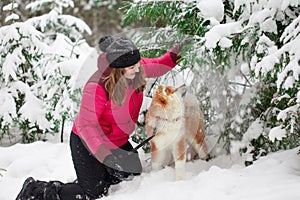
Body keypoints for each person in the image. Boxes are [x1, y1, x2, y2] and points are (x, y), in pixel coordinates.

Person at [16, 35, 190, 200]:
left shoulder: (135, 68)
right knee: (93, 192)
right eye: (132, 67)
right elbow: (86, 126)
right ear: (117, 69)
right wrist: (105, 156)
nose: (138, 69)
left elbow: (160, 64)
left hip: (116, 139)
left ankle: (96, 174)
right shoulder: (97, 87)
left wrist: (179, 52)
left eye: (138, 64)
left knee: (131, 175)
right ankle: (38, 191)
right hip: (87, 142)